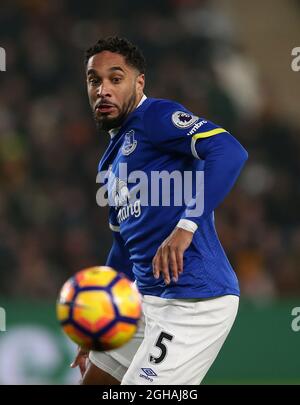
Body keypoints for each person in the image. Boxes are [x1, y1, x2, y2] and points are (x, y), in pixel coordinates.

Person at [72, 36, 248, 385]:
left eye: (115, 78)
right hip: (148, 299)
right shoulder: (111, 159)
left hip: (195, 300)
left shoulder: (155, 116)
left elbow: (230, 151)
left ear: (139, 83)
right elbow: (123, 249)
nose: (103, 89)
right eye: (95, 80)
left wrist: (187, 225)